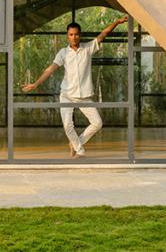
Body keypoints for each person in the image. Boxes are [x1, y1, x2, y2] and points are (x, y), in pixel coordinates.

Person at [22, 15, 129, 158]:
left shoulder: (88, 49)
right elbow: (51, 69)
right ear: (67, 36)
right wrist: (36, 83)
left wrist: (117, 22)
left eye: (76, 34)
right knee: (67, 126)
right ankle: (80, 151)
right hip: (67, 95)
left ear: (80, 35)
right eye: (71, 35)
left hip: (84, 96)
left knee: (97, 123)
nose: (74, 37)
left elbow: (103, 34)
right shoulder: (63, 53)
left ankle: (75, 143)